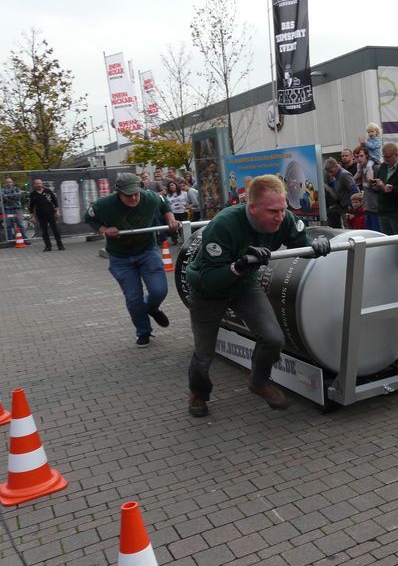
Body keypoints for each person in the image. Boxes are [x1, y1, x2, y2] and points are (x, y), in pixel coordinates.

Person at [184, 174, 331, 417]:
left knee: (273, 338)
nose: (280, 216)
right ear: (252, 208)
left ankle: (259, 381)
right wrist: (239, 265)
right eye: (273, 211)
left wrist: (316, 246)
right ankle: (198, 393)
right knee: (204, 351)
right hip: (208, 290)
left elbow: (300, 244)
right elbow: (210, 280)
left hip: (243, 285)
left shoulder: (285, 218)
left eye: (283, 209)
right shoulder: (223, 225)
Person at [85, 172, 180, 347]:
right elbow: (89, 217)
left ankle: (151, 307)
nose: (134, 198)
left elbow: (164, 203)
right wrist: (104, 229)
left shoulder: (150, 198)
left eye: (136, 194)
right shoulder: (104, 204)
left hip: (147, 251)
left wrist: (171, 219)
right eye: (128, 195)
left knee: (159, 290)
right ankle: (143, 331)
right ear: (118, 192)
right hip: (120, 257)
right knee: (134, 299)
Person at [373, 142, 398, 235]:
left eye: (388, 157)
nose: (385, 159)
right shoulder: (382, 166)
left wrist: (388, 188)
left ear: (396, 155)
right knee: (386, 239)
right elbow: (379, 184)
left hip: (396, 211)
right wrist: (376, 188)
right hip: (382, 210)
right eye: (384, 157)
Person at [28, 179, 64, 252]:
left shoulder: (48, 191)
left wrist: (57, 211)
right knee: (44, 231)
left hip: (50, 213)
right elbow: (31, 206)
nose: (39, 185)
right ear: (34, 185)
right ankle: (48, 246)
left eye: (40, 183)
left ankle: (60, 245)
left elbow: (55, 201)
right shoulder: (33, 194)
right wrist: (32, 216)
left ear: (42, 184)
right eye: (37, 183)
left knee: (55, 230)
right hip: (41, 215)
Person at [323, 157, 358, 228]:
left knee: (350, 228)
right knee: (346, 227)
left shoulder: (344, 175)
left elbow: (354, 190)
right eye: (328, 172)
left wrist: (352, 207)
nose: (330, 174)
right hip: (344, 206)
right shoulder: (337, 176)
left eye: (331, 171)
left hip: (349, 207)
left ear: (336, 166)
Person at [353, 146, 380, 231]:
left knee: (376, 232)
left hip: (376, 207)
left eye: (361, 156)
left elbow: (378, 187)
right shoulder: (360, 168)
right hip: (367, 205)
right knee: (369, 231)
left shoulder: (375, 167)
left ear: (367, 155)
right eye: (357, 157)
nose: (359, 159)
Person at [2, 178, 31, 245]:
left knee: (20, 224)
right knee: (8, 225)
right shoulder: (2, 190)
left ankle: (25, 239)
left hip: (17, 209)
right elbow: (3, 197)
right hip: (7, 209)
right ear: (5, 183)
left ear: (12, 183)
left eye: (9, 182)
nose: (8, 183)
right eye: (7, 182)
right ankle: (10, 241)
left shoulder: (17, 189)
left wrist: (8, 197)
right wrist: (12, 196)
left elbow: (17, 197)